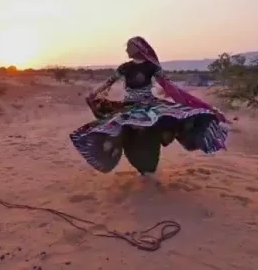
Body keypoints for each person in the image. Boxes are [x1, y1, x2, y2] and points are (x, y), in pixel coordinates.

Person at [69, 36, 229, 179]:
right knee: (123, 134)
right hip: (129, 107)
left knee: (156, 131)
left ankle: (149, 171)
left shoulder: (151, 67)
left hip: (149, 106)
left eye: (129, 46)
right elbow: (108, 82)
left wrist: (185, 102)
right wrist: (94, 93)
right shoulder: (125, 67)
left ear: (138, 49)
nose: (126, 49)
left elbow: (168, 84)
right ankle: (143, 169)